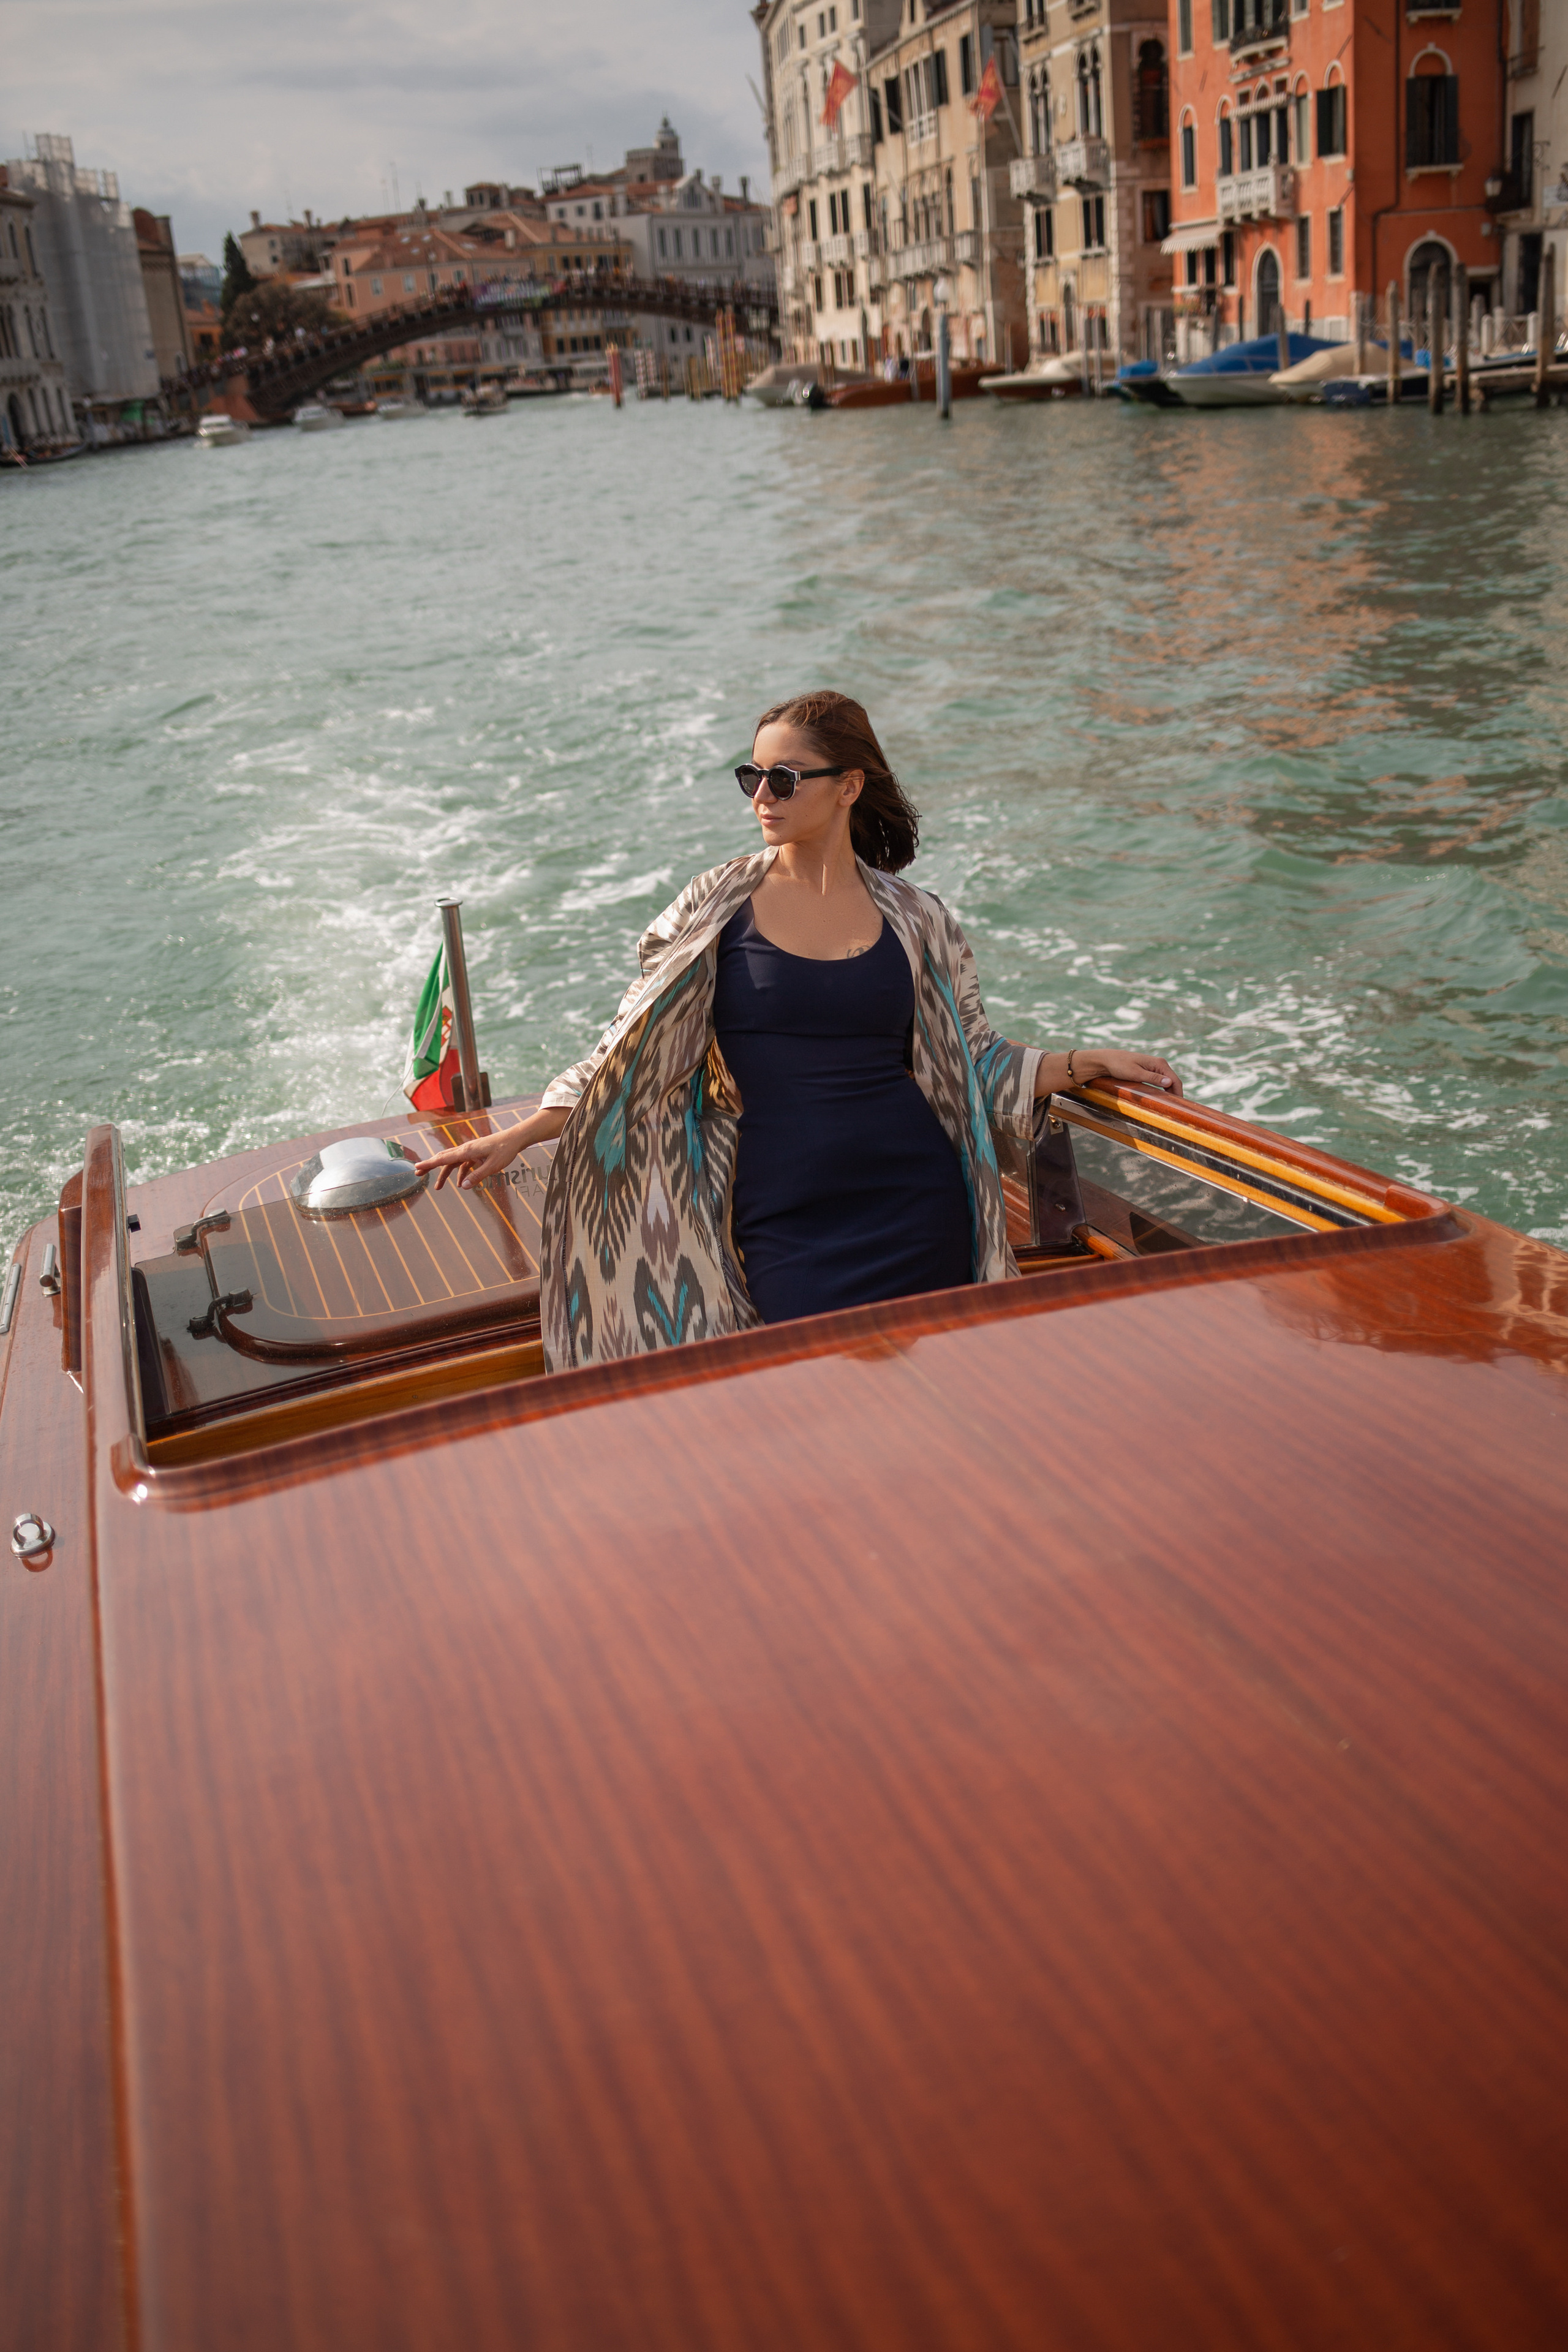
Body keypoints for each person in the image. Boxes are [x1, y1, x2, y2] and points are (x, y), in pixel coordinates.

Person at [414, 690, 1181, 1372]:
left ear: (848, 787)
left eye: (783, 778)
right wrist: (522, 1134)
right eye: (752, 777)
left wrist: (1086, 1062)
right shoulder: (714, 906)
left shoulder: (918, 918)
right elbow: (628, 1042)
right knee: (815, 1395)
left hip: (915, 1198)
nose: (762, 797)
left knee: (944, 1390)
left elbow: (971, 1056)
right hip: (785, 1209)